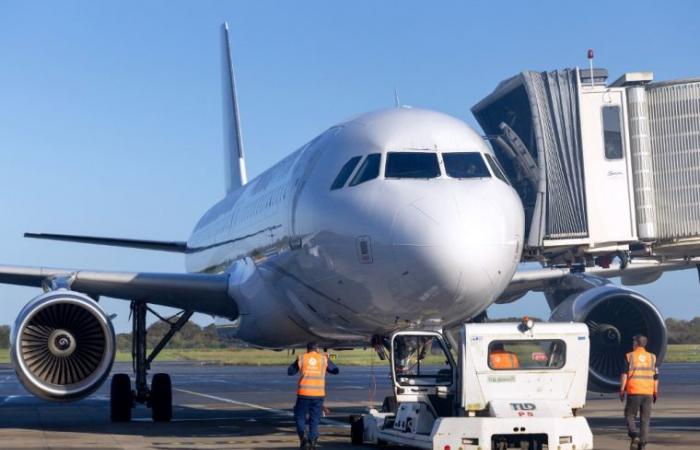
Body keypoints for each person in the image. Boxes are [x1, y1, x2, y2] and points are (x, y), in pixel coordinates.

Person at [288, 342, 339, 450]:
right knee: (314, 419)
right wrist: (328, 360)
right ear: (317, 349)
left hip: (304, 394)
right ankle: (312, 441)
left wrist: (298, 362)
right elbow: (336, 371)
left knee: (299, 417)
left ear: (307, 349)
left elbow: (290, 372)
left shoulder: (302, 358)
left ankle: (303, 437)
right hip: (318, 395)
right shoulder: (323, 358)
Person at [620, 335, 659, 450]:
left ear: (637, 343)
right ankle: (642, 444)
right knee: (645, 419)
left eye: (633, 342)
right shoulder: (652, 357)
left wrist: (622, 389)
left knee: (629, 415)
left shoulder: (629, 356)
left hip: (634, 391)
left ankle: (634, 434)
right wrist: (655, 391)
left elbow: (624, 375)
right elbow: (656, 376)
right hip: (648, 392)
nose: (632, 344)